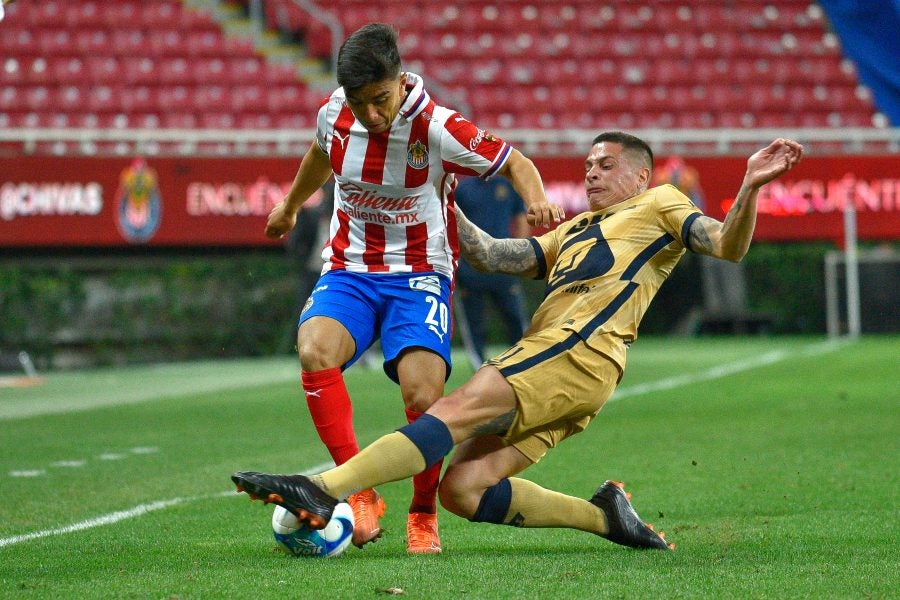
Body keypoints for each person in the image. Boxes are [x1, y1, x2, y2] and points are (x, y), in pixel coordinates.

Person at [233, 133, 803, 551]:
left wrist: (748, 185)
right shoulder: (576, 229)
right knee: (464, 490)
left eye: (606, 166)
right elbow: (489, 254)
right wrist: (430, 192)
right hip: (570, 372)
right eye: (587, 166)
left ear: (639, 177)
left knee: (451, 411)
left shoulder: (661, 204)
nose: (592, 175)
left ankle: (321, 488)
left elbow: (728, 244)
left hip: (578, 350)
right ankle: (605, 517)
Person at [261, 23, 562, 554]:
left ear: (399, 80)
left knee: (424, 397)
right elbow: (320, 153)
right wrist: (290, 205)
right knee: (314, 350)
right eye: (360, 102)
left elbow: (515, 161)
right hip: (351, 269)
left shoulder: (438, 126)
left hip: (419, 273)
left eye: (380, 99)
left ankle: (423, 513)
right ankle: (359, 493)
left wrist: (535, 198)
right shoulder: (334, 113)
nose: (370, 114)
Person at [453, 176, 531, 369]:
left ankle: (525, 362)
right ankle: (479, 367)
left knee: (515, 318)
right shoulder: (463, 189)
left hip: (503, 266)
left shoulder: (506, 185)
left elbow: (521, 218)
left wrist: (518, 254)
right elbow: (451, 224)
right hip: (470, 270)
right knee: (474, 325)